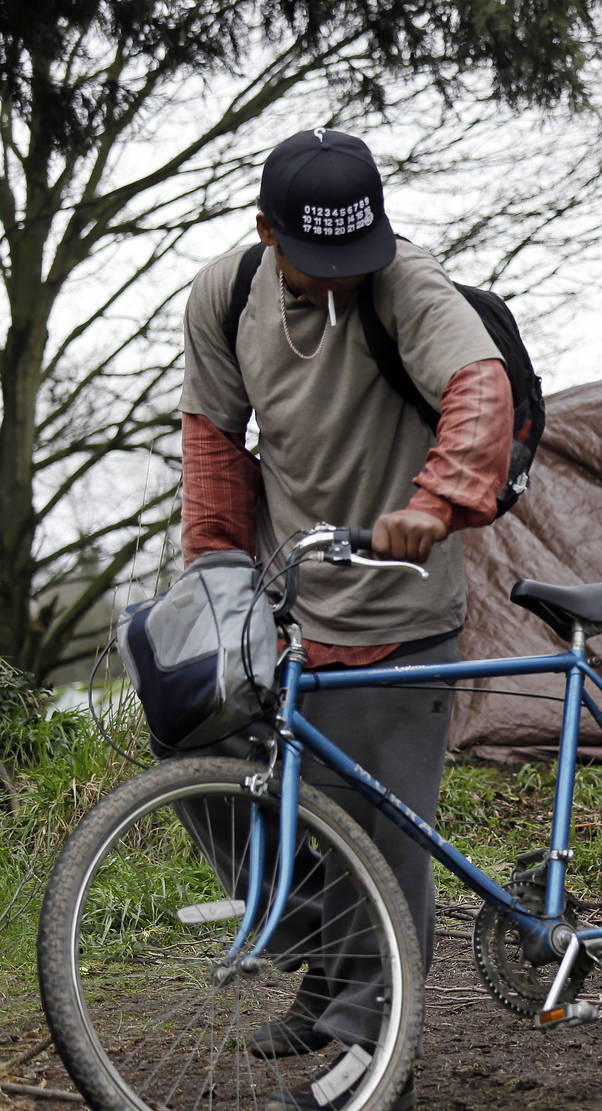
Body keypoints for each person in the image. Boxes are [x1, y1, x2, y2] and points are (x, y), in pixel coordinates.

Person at [179, 127, 512, 1110]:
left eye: (350, 263)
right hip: (293, 594)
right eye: (313, 263)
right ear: (265, 233)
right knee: (213, 770)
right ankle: (329, 963)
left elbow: (477, 386)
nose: (335, 283)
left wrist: (437, 499)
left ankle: (378, 1049)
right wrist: (214, 574)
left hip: (400, 600)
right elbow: (212, 438)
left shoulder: (407, 282)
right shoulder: (227, 293)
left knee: (385, 833)